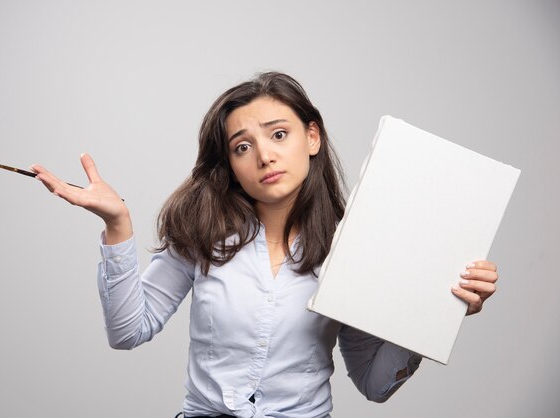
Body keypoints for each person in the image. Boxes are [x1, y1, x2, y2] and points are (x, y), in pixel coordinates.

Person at [30, 72, 498, 418]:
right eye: (241, 146)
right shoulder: (201, 233)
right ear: (230, 163)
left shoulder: (352, 248)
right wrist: (118, 223)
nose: (265, 155)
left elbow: (375, 385)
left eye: (279, 134)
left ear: (311, 137)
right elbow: (127, 331)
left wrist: (439, 312)